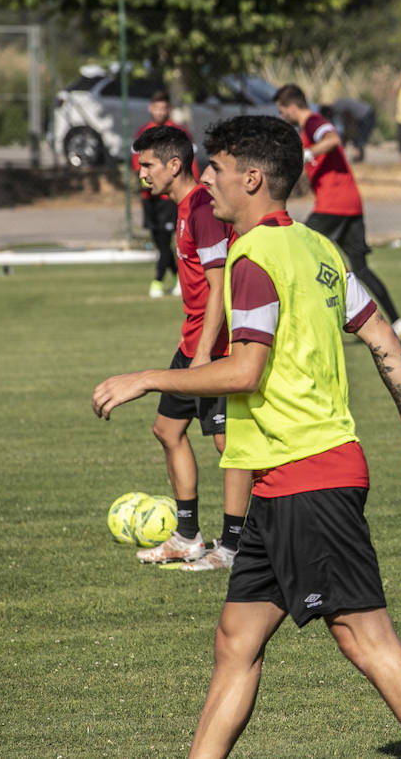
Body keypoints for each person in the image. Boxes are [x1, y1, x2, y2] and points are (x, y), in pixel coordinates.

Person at [92, 114, 401, 758]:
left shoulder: (255, 256)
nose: (205, 179)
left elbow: (246, 368)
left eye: (217, 168)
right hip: (280, 480)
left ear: (253, 178)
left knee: (366, 641)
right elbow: (380, 336)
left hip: (307, 475)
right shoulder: (319, 249)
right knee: (237, 640)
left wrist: (151, 377)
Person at [128, 124, 249, 572]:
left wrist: (203, 356)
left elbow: (219, 286)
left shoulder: (200, 207)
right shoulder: (184, 208)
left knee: (228, 444)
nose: (141, 174)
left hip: (213, 348)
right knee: (167, 430)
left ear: (174, 165)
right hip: (193, 341)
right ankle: (187, 536)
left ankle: (235, 546)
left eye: (147, 165)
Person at [272, 84, 401, 342]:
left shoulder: (313, 122)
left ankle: (299, 324)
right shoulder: (309, 126)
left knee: (296, 250)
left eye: (282, 111)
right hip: (350, 202)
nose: (283, 117)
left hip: (333, 204)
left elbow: (333, 139)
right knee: (360, 269)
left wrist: (306, 153)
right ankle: (398, 324)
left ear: (292, 106)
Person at [132, 90, 189, 298]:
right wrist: (144, 180)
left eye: (163, 108)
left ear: (168, 109)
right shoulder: (143, 133)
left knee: (166, 240)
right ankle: (177, 278)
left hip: (167, 198)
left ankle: (157, 280)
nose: (159, 112)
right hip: (150, 198)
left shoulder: (178, 133)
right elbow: (135, 162)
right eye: (156, 108)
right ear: (150, 108)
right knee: (159, 241)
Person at [327, 97, 377, 163]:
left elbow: (341, 128)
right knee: (359, 137)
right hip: (368, 112)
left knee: (360, 138)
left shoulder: (337, 108)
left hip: (365, 115)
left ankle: (357, 157)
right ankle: (358, 157)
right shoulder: (339, 104)